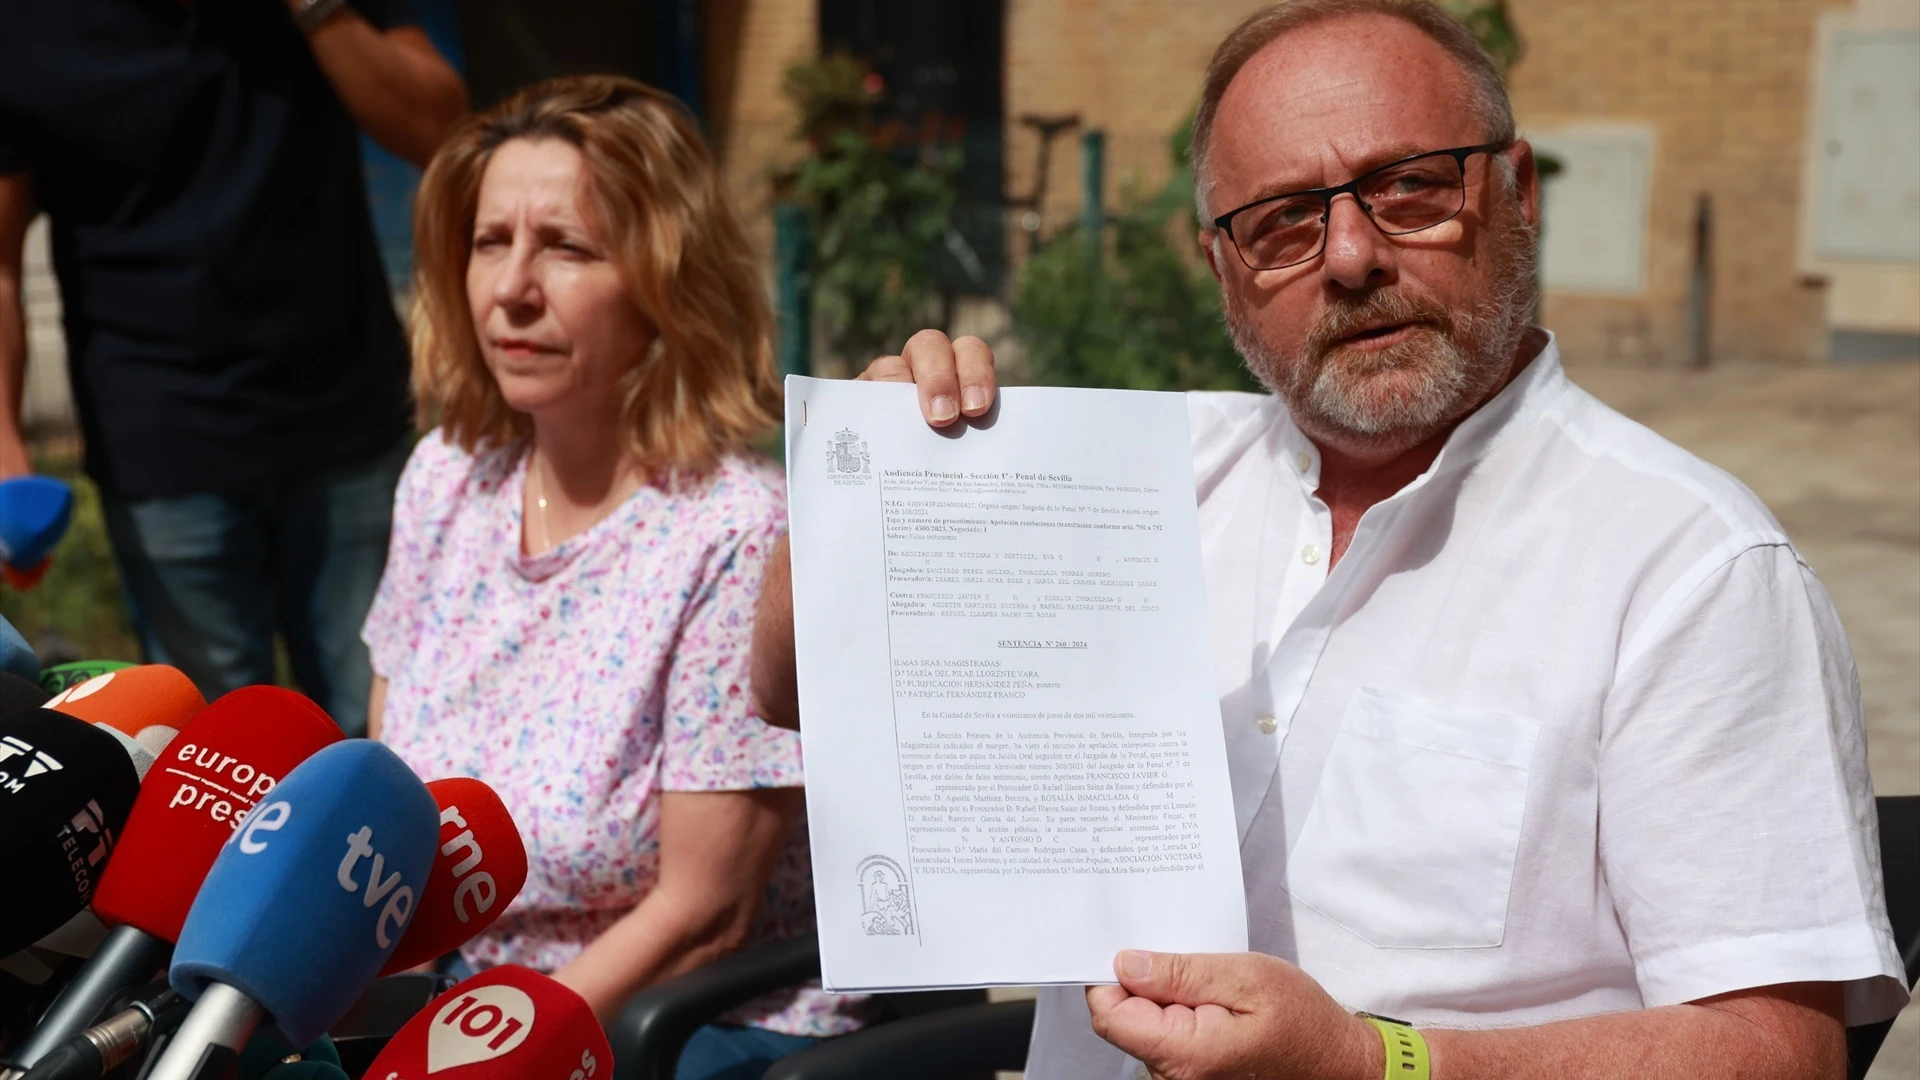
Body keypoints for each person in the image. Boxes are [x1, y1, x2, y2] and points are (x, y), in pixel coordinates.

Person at [749, 2, 1908, 1077]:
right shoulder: (1124, 492)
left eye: (1407, 188)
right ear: (1221, 265)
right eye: (1284, 223)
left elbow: (1775, 1049)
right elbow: (797, 692)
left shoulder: (1686, 571)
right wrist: (873, 486)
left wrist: (1378, 1063)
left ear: (1516, 190)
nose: (1351, 258)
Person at [361, 76, 873, 1080]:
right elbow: (387, 786)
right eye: (489, 242)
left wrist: (486, 1054)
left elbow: (702, 916)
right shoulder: (446, 480)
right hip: (457, 992)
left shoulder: (733, 530)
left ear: (662, 283)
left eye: (567, 247)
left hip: (685, 1024)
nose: (512, 288)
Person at [0, 0, 466, 735]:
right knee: (211, 758)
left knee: (385, 736)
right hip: (160, 448)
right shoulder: (26, 26)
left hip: (348, 423)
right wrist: (6, 454)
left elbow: (442, 129)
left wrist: (315, 9)